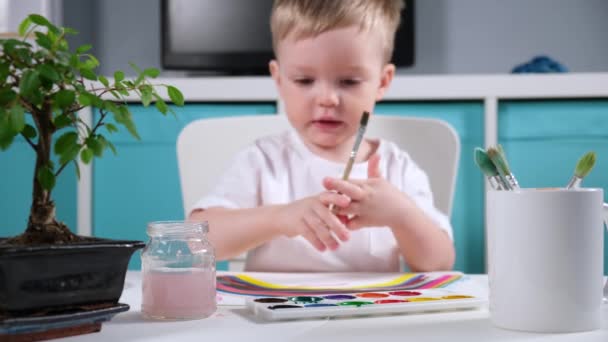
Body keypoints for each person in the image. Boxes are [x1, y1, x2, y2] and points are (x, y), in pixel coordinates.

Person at [189, 0, 455, 272]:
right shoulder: (264, 161)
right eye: (304, 81)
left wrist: (401, 215)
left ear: (382, 83)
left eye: (349, 81)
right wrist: (280, 217)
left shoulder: (396, 168)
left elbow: (439, 262)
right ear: (278, 79)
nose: (327, 99)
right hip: (280, 311)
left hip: (370, 314)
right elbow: (197, 240)